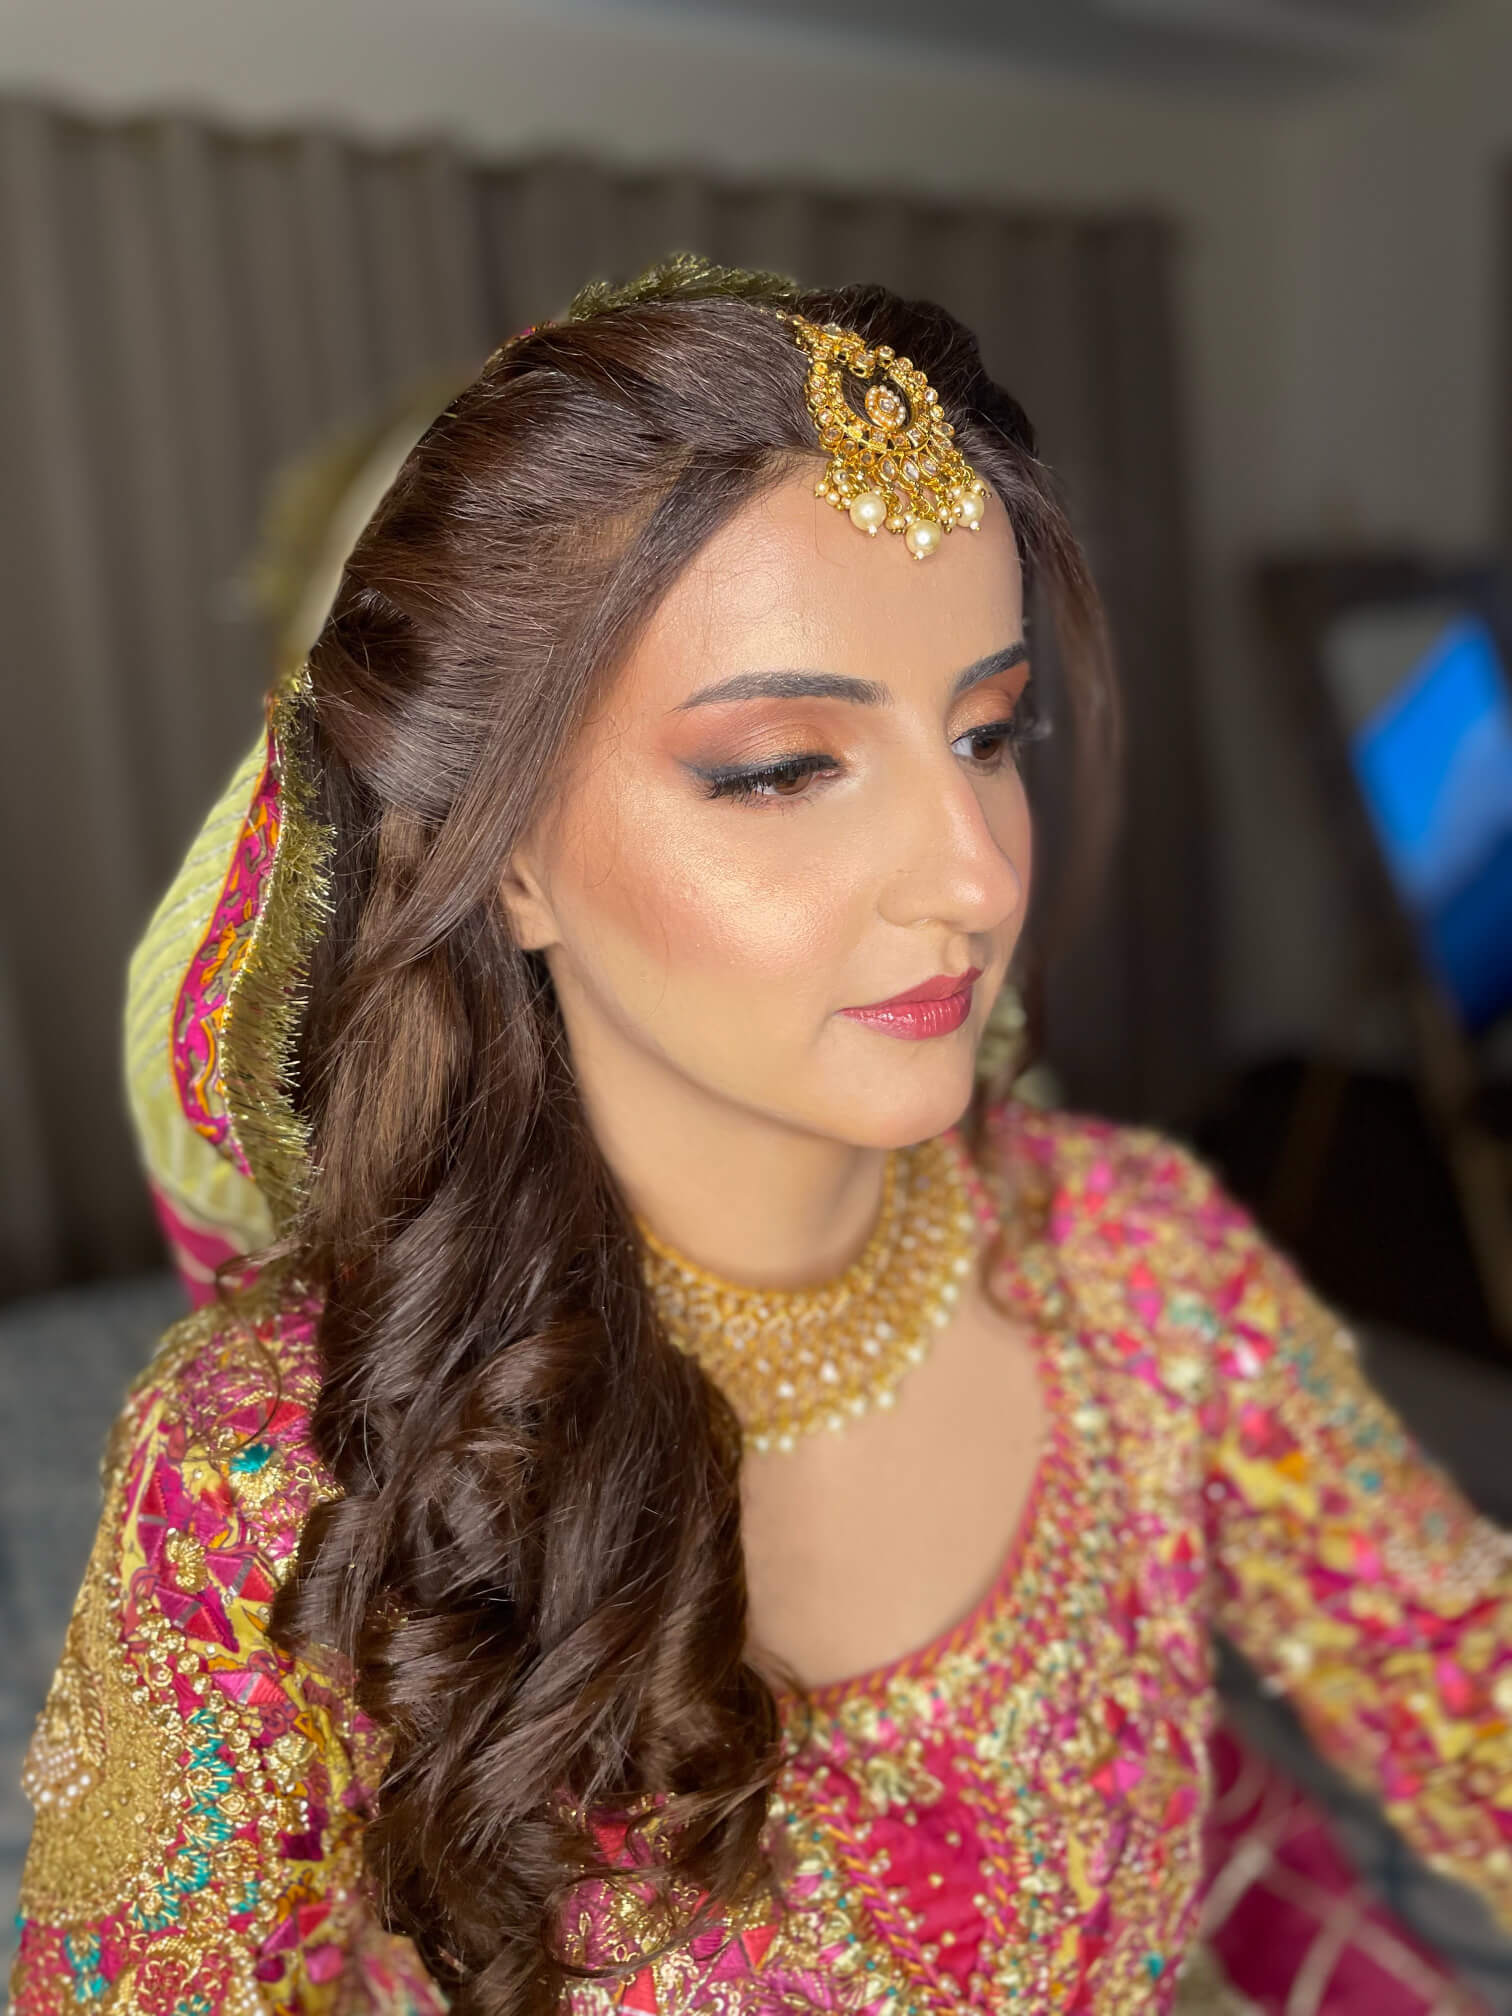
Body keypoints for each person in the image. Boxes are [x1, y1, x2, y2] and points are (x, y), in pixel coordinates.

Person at [12, 256, 1512, 2016]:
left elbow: (1466, 1692)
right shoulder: (274, 1471)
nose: (975, 877)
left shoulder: (1138, 1261)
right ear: (500, 851)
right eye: (784, 767)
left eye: (988, 732)